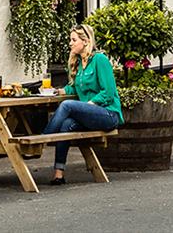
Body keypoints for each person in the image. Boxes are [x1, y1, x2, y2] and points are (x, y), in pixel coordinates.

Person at [42, 24, 122, 185]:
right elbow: (75, 87)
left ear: (85, 41)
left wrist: (91, 104)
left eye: (73, 40)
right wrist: (57, 91)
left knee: (67, 106)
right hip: (90, 114)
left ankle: (42, 140)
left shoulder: (100, 59)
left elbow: (108, 92)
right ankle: (59, 174)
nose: (70, 43)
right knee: (66, 125)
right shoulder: (78, 62)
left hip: (107, 114)